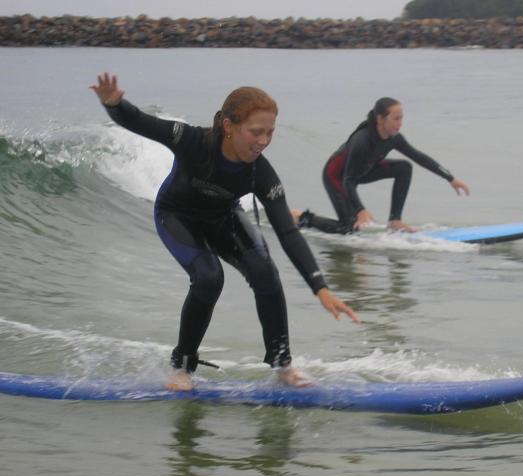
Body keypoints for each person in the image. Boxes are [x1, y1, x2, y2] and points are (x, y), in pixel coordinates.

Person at [90, 73, 358, 391]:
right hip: (177, 216)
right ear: (230, 126)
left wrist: (320, 288)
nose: (263, 141)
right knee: (208, 277)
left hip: (224, 217)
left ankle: (283, 366)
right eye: (256, 132)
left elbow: (287, 231)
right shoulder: (191, 140)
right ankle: (182, 367)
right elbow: (140, 122)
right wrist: (114, 104)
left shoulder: (262, 173)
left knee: (265, 273)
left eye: (270, 132)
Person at [292, 97, 470, 234]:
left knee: (404, 167)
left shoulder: (394, 139)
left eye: (402, 118)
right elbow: (348, 181)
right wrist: (361, 210)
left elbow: (419, 157)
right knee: (347, 229)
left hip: (364, 170)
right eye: (396, 118)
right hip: (337, 176)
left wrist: (451, 178)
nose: (400, 123)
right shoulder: (361, 141)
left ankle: (395, 221)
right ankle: (302, 218)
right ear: (380, 119)